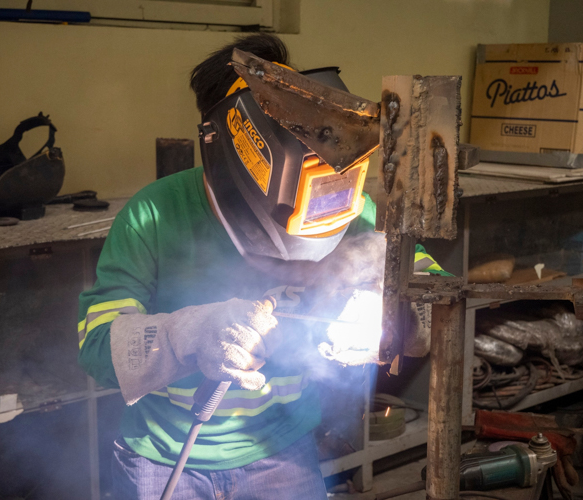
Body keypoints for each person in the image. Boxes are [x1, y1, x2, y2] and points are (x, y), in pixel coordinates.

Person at [77, 33, 449, 500]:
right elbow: (95, 345)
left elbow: (436, 295)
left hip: (281, 449)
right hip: (163, 453)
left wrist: (390, 317)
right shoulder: (153, 213)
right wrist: (186, 335)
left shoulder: (341, 205)